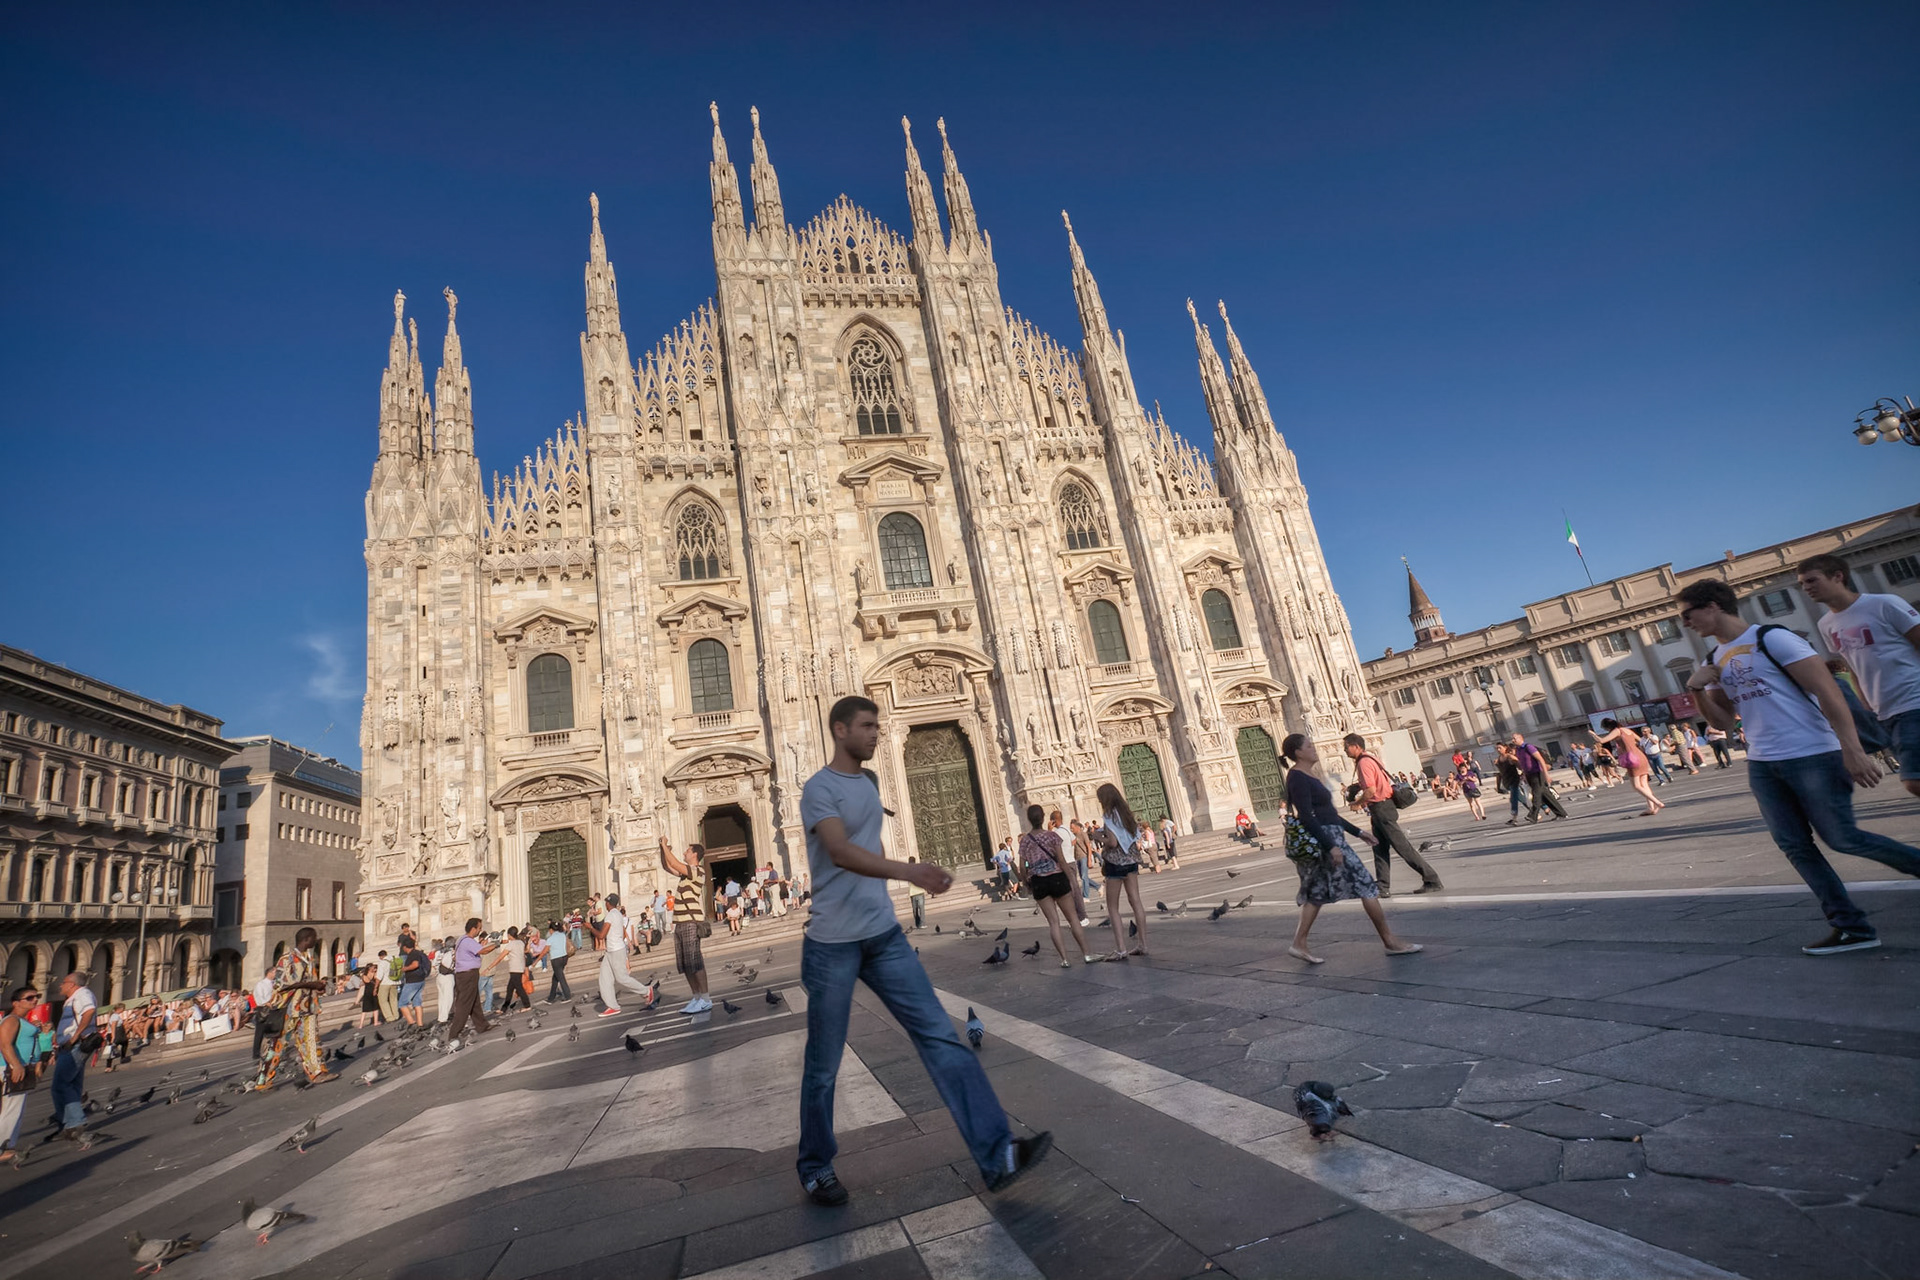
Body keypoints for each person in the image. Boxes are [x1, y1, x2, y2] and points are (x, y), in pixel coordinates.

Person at [797, 695, 1050, 1207]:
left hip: (882, 936)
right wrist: (912, 871)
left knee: (942, 1037)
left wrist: (896, 887)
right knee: (824, 1065)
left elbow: (867, 844)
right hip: (832, 945)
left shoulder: (868, 783)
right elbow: (840, 852)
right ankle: (815, 1164)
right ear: (839, 729)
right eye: (867, 726)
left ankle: (997, 1155)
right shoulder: (817, 789)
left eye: (878, 725)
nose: (876, 734)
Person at [1679, 577, 1920, 954]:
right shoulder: (1712, 661)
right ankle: (1851, 927)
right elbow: (1724, 723)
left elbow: (1826, 690)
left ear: (1712, 606)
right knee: (1795, 846)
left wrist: (1851, 749)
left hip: (1812, 753)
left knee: (1843, 838)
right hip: (1763, 762)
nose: (1686, 623)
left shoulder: (1773, 639)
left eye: (1687, 614)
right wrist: (1695, 691)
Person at [1280, 735, 1423, 964]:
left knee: (1317, 893)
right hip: (1326, 840)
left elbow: (1329, 814)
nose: (1314, 748)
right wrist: (1332, 846)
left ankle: (1299, 943)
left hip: (1330, 835)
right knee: (1366, 885)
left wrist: (1358, 832)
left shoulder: (1309, 775)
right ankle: (1389, 942)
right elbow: (1306, 816)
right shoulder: (1297, 777)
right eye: (1309, 746)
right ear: (1298, 752)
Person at [1802, 552, 1920, 800]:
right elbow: (1851, 664)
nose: (1806, 588)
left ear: (1838, 576)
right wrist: (1864, 702)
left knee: (1913, 780)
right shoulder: (1826, 624)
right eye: (1802, 583)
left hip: (1913, 699)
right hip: (1883, 710)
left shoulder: (1884, 603)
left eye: (1812, 580)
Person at [1342, 735, 1443, 895]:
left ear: (1356, 746)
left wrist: (1357, 803)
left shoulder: (1363, 763)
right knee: (1379, 848)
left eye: (1346, 746)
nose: (1344, 750)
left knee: (1402, 847)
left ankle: (1432, 879)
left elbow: (1371, 791)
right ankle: (1382, 886)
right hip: (1381, 808)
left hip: (1382, 808)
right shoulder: (1371, 758)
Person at [1018, 805, 1096, 965]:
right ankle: (1087, 954)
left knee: (1053, 923)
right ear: (1043, 818)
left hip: (1038, 881)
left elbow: (1022, 865)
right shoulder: (1051, 836)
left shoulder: (1025, 840)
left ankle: (1065, 959)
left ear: (1029, 819)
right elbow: (1061, 859)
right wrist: (1071, 880)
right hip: (1057, 877)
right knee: (1073, 919)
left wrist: (1027, 883)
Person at [259, 930, 337, 1089]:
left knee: (311, 1041)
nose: (316, 940)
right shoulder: (286, 959)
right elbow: (283, 985)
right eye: (314, 938)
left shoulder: (309, 958)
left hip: (308, 1008)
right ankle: (263, 1080)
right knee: (278, 1045)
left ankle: (317, 1073)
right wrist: (312, 984)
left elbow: (307, 982)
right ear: (306, 939)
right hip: (289, 1010)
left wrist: (317, 987)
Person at [1093, 783, 1151, 960]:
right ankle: (1142, 944)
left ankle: (1121, 949)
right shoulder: (1127, 814)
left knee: (1113, 907)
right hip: (1131, 861)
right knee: (1136, 902)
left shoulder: (1109, 816)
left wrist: (1097, 837)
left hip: (1115, 864)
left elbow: (1112, 842)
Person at [592, 893, 659, 1016]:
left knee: (621, 978)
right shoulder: (618, 914)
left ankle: (646, 991)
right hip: (612, 950)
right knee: (604, 978)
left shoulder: (611, 915)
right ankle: (612, 1006)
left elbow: (601, 935)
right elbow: (622, 933)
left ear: (608, 903)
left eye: (606, 902)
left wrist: (589, 927)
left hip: (615, 950)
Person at [0, 986, 41, 1164]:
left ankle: (7, 1144)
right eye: (30, 998)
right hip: (11, 1068)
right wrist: (16, 1065)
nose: (35, 1000)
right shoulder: (12, 1020)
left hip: (18, 1066)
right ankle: (4, 1146)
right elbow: (4, 1044)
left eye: (36, 996)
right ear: (16, 1003)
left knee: (14, 1107)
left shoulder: (21, 1020)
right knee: (12, 1108)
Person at [1594, 718, 1665, 817]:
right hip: (1641, 756)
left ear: (1608, 726)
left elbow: (1601, 740)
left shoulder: (1617, 731)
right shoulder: (1627, 730)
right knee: (1644, 784)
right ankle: (1651, 807)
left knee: (1636, 786)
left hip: (1632, 758)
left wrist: (1592, 733)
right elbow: (1640, 740)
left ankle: (1657, 803)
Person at [444, 919, 498, 1043]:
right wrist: (496, 944)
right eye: (479, 928)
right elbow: (483, 951)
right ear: (473, 928)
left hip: (466, 974)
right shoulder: (468, 941)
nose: (480, 931)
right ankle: (454, 1033)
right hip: (467, 975)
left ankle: (482, 1025)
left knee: (474, 1002)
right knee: (464, 1004)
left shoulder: (461, 939)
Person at [1510, 732, 1569, 823]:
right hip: (1529, 774)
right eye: (1512, 739)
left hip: (1537, 773)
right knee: (1545, 795)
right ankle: (1561, 813)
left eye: (1514, 738)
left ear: (1521, 738)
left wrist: (1546, 774)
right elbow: (1523, 764)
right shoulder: (1518, 750)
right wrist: (1525, 775)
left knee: (1536, 795)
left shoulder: (1528, 747)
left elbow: (1540, 759)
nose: (1513, 740)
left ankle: (1533, 815)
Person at [399, 938, 429, 1026]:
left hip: (413, 981)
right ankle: (420, 1024)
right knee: (417, 1002)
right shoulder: (418, 953)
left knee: (402, 1003)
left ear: (405, 947)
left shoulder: (413, 954)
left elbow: (415, 965)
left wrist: (405, 969)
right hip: (420, 979)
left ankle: (411, 1022)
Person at [544, 921, 573, 1002]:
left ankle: (567, 995)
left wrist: (536, 960)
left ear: (551, 929)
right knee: (555, 978)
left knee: (560, 977)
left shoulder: (550, 938)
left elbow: (545, 951)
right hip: (564, 957)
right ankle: (551, 997)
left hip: (556, 959)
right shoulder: (562, 935)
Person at [433, 938, 458, 1024]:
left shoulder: (439, 952)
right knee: (448, 998)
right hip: (448, 976)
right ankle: (444, 1018)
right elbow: (450, 963)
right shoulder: (451, 952)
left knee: (441, 998)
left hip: (439, 976)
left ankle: (441, 1016)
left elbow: (434, 964)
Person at [1454, 756, 1486, 821]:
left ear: (1466, 768)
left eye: (1464, 768)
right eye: (1461, 768)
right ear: (1459, 769)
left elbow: (1475, 780)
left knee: (1478, 801)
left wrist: (1469, 778)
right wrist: (1463, 781)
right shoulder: (1458, 775)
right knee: (1471, 803)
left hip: (1473, 788)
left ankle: (1483, 814)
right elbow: (1459, 784)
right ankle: (1476, 816)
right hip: (1466, 790)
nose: (1463, 769)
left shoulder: (1470, 773)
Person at [353, 960, 383, 1029]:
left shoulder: (364, 975)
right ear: (370, 968)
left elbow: (365, 982)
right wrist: (375, 973)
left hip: (367, 991)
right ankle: (376, 1021)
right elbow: (376, 980)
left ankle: (361, 1024)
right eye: (373, 967)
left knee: (365, 1009)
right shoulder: (373, 974)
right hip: (373, 991)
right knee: (375, 1007)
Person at [377, 949, 402, 1024]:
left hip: (385, 983)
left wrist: (376, 986)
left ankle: (389, 1017)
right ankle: (396, 1015)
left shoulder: (382, 962)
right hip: (395, 981)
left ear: (381, 956)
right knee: (393, 999)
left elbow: (379, 976)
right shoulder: (394, 959)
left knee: (383, 1000)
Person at [906, 860, 929, 929]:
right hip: (920, 891)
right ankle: (923, 923)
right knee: (921, 909)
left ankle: (917, 923)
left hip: (913, 893)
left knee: (915, 909)